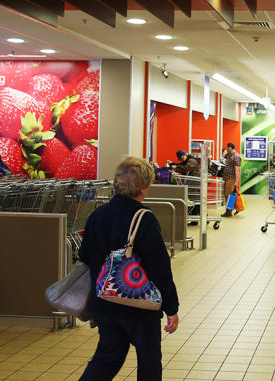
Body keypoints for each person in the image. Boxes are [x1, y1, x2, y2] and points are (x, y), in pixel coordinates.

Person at [79, 157, 180, 381]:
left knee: (107, 357)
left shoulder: (97, 215)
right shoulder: (144, 218)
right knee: (148, 361)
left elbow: (84, 255)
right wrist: (171, 307)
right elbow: (160, 268)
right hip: (138, 305)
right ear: (144, 187)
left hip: (105, 300)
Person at [221, 142, 241, 217]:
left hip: (231, 178)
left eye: (227, 148)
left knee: (228, 195)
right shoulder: (229, 155)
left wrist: (237, 181)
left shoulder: (236, 157)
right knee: (226, 194)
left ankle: (228, 212)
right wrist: (224, 153)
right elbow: (222, 159)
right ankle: (235, 208)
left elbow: (237, 170)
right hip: (226, 177)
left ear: (230, 148)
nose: (226, 149)